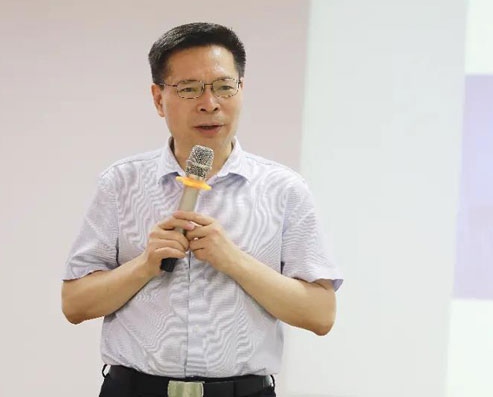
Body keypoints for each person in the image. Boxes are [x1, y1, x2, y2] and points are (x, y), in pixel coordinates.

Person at [62, 22, 343, 397]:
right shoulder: (121, 183)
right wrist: (144, 265)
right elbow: (75, 305)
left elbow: (321, 315)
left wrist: (233, 261)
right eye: (189, 89)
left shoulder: (284, 189)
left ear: (241, 90)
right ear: (158, 98)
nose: (210, 103)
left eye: (224, 87)